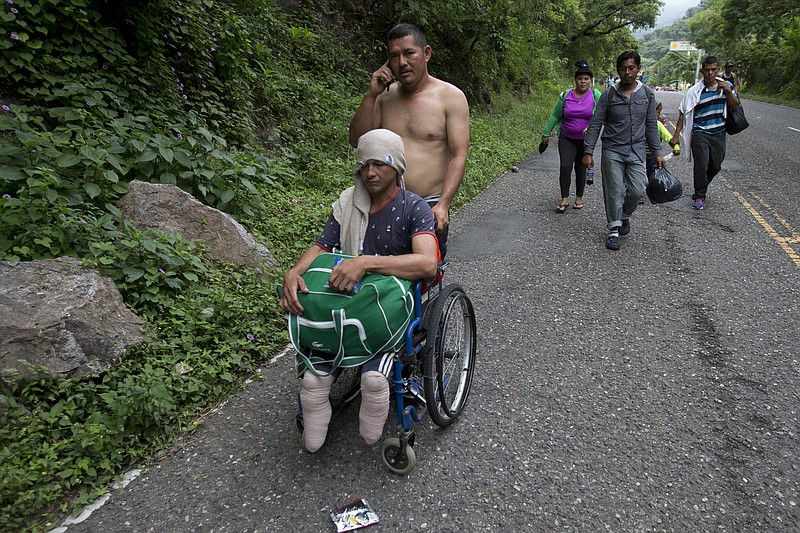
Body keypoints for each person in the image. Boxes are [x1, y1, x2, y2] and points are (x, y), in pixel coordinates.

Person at [279, 129, 439, 453]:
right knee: (313, 381)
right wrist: (293, 273)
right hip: (348, 296)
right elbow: (322, 245)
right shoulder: (347, 204)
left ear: (398, 168)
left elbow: (427, 264)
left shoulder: (414, 207)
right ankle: (317, 395)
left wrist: (366, 262)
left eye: (380, 164)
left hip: (392, 300)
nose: (370, 172)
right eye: (365, 164)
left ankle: (371, 384)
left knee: (375, 381)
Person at [348, 23, 470, 259]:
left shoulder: (450, 97)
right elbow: (357, 140)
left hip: (428, 202)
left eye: (409, 53)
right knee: (376, 267)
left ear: (426, 54)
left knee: (421, 272)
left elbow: (458, 155)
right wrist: (371, 95)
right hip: (384, 200)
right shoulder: (384, 97)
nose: (402, 62)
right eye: (394, 56)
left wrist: (443, 203)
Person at [582, 51, 665, 251]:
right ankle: (613, 230)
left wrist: (657, 152)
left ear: (638, 69)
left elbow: (651, 125)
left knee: (637, 189)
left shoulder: (647, 94)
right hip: (612, 150)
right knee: (614, 191)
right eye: (623, 68)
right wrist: (588, 151)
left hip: (636, 150)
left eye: (631, 68)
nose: (627, 72)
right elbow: (596, 122)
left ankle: (624, 216)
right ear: (618, 70)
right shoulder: (609, 94)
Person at [670, 56, 741, 210]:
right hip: (699, 132)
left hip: (718, 132)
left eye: (713, 69)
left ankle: (702, 184)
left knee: (715, 165)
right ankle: (699, 194)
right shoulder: (695, 91)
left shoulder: (725, 86)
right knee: (701, 164)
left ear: (718, 70)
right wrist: (676, 135)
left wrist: (729, 92)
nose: (710, 73)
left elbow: (735, 105)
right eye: (707, 70)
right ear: (702, 71)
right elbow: (684, 112)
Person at [540, 60, 602, 212]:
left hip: (586, 141)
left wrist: (591, 127)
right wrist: (546, 134)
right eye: (580, 78)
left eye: (586, 78)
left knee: (581, 168)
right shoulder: (566, 95)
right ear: (575, 80)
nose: (583, 81)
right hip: (567, 137)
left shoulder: (595, 95)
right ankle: (565, 197)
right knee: (565, 166)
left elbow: (602, 115)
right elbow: (555, 115)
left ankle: (579, 197)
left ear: (590, 80)